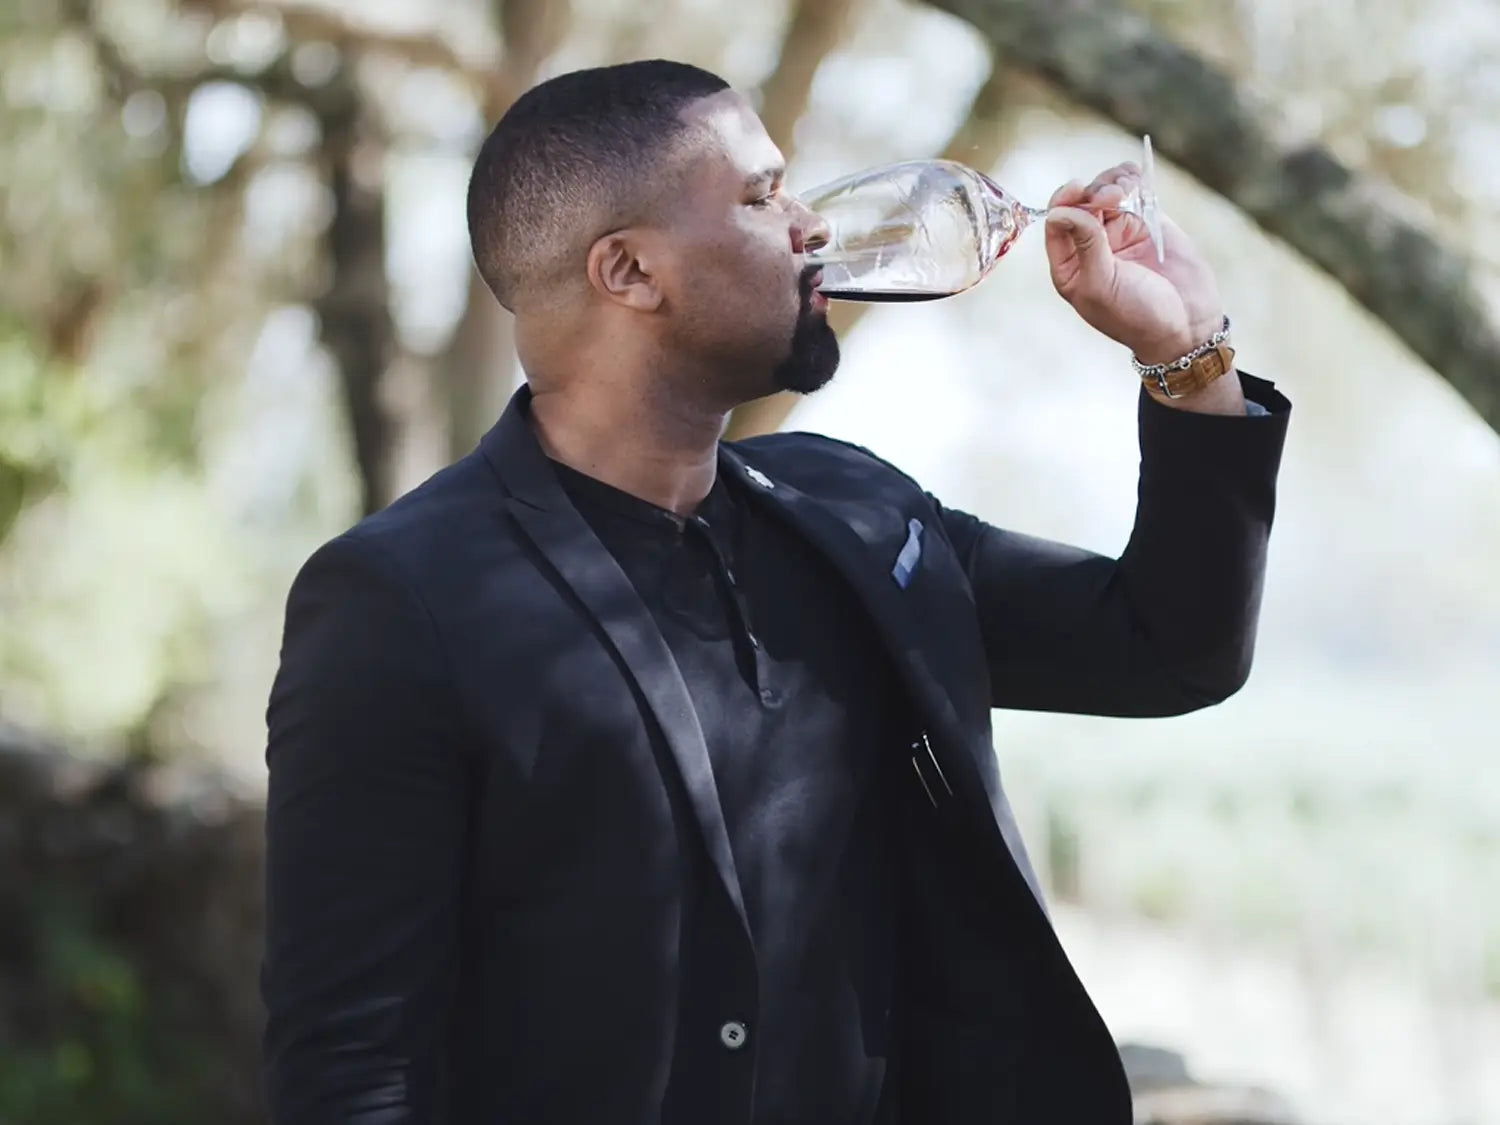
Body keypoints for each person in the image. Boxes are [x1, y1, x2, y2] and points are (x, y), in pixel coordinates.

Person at [261, 58, 1289, 1125]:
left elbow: (1171, 647)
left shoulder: (857, 514)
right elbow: (352, 1068)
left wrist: (1184, 355)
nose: (808, 225)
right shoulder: (400, 600)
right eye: (760, 197)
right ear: (628, 272)